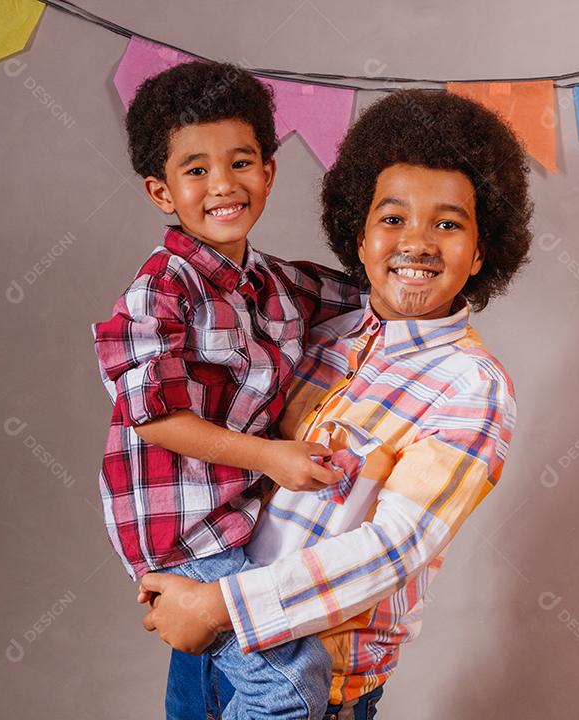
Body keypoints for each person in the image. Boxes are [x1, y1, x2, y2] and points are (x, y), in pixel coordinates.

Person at [136, 89, 534, 718]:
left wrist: (218, 604)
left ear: (482, 250)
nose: (418, 243)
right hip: (207, 655)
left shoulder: (471, 386)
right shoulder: (317, 335)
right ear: (360, 236)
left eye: (448, 224)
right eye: (393, 218)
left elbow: (394, 547)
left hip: (313, 688)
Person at [91, 60, 364, 719]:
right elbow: (155, 417)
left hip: (239, 523)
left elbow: (369, 297)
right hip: (185, 532)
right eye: (196, 170)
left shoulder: (278, 284)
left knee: (230, 686)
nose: (223, 184)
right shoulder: (162, 289)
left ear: (268, 171)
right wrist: (270, 456)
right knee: (291, 685)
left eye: (241, 162)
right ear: (161, 191)